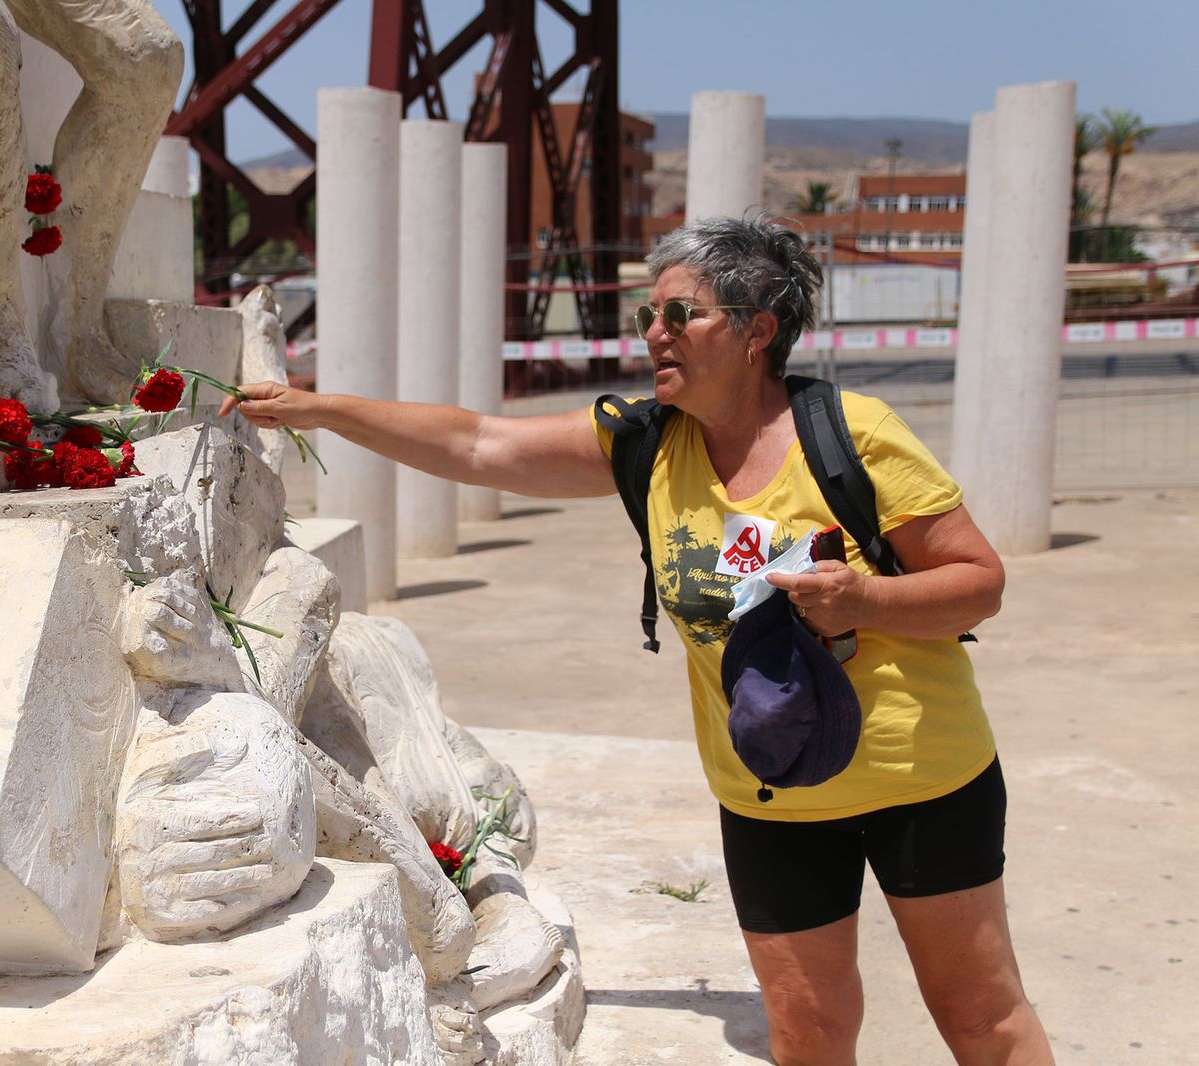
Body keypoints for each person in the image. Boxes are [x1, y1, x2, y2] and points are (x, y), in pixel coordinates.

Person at [218, 214, 1052, 1066]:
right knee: (808, 1030)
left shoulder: (852, 433)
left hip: (922, 774)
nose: (654, 333)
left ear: (757, 331)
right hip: (769, 791)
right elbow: (479, 442)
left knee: (979, 1015)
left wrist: (863, 598)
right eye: (648, 315)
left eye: (681, 315)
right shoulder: (646, 444)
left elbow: (977, 583)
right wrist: (319, 410)